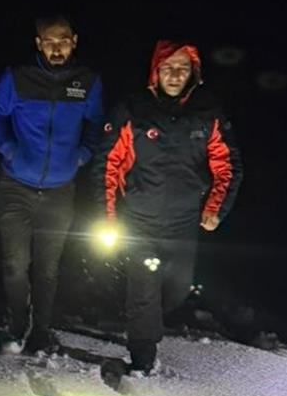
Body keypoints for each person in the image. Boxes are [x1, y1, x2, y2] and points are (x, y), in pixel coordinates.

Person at [98, 39, 243, 373]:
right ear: (155, 71)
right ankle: (143, 357)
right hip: (140, 218)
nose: (175, 75)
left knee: (175, 292)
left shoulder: (208, 112)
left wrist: (216, 208)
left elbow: (229, 164)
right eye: (168, 68)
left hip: (183, 221)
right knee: (143, 290)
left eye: (183, 68)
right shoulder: (133, 108)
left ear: (193, 72)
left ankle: (146, 320)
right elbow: (108, 164)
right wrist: (107, 215)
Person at [0, 14, 105, 354]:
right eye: (49, 41)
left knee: (48, 268)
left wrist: (83, 154)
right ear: (38, 43)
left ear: (74, 40)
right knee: (14, 263)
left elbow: (97, 121)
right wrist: (9, 148)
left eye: (63, 40)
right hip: (16, 185)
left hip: (60, 189)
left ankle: (41, 331)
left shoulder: (88, 81)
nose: (57, 48)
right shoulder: (18, 78)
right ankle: (17, 323)